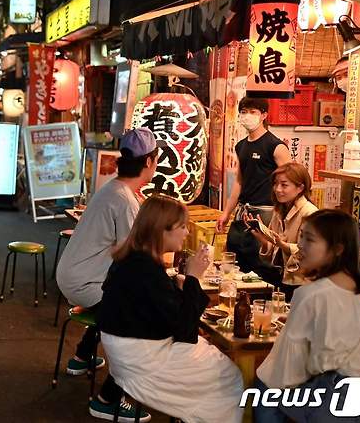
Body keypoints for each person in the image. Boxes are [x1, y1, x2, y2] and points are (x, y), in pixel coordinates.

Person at [98, 195, 245, 423]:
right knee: (228, 374)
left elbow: (162, 313)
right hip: (142, 359)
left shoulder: (134, 260)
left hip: (125, 351)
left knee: (214, 356)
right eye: (183, 227)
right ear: (162, 230)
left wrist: (180, 287)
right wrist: (194, 278)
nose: (187, 232)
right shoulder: (145, 268)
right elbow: (185, 332)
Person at [56, 127, 158, 422]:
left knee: (118, 301)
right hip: (86, 282)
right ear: (149, 162)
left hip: (74, 275)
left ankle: (82, 357)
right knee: (141, 320)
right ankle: (108, 399)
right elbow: (134, 257)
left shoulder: (114, 188)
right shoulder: (125, 200)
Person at [255, 209, 360, 423]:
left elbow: (287, 372)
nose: (300, 245)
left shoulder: (311, 296)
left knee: (264, 387)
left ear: (337, 249)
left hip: (330, 401)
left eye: (309, 239)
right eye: (301, 236)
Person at [216, 97, 291, 272]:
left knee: (261, 264)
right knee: (235, 261)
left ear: (264, 115)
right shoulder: (241, 146)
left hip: (266, 214)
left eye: (253, 112)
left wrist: (285, 215)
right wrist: (226, 213)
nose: (247, 116)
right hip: (243, 213)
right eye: (243, 112)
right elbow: (239, 182)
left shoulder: (276, 146)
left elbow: (292, 181)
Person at [244, 162, 318, 300]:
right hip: (281, 278)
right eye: (276, 184)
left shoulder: (310, 213)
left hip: (302, 283)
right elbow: (273, 250)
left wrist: (284, 245)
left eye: (284, 185)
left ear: (300, 187)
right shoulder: (279, 210)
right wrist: (263, 239)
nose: (278, 189)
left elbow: (312, 252)